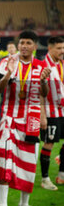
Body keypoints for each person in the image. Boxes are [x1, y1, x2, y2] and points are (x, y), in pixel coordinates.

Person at [0, 30, 51, 206]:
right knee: (4, 160)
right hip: (9, 119)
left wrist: (43, 82)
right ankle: (2, 203)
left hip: (32, 121)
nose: (24, 46)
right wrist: (9, 74)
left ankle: (24, 203)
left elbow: (45, 94)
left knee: (29, 164)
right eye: (22, 43)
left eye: (28, 43)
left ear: (34, 46)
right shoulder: (7, 61)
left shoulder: (41, 66)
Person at [40, 36, 64, 190]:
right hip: (51, 112)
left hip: (63, 111)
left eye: (63, 48)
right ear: (50, 48)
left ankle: (61, 174)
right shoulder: (43, 66)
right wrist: (42, 115)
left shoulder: (62, 64)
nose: (62, 51)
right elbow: (39, 93)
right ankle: (45, 179)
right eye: (59, 48)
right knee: (49, 144)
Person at [0, 41, 17, 126]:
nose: (11, 49)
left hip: (17, 84)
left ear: (15, 48)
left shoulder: (20, 59)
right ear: (7, 50)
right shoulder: (4, 60)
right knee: (3, 102)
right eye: (10, 48)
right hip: (6, 84)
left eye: (12, 47)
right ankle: (0, 119)